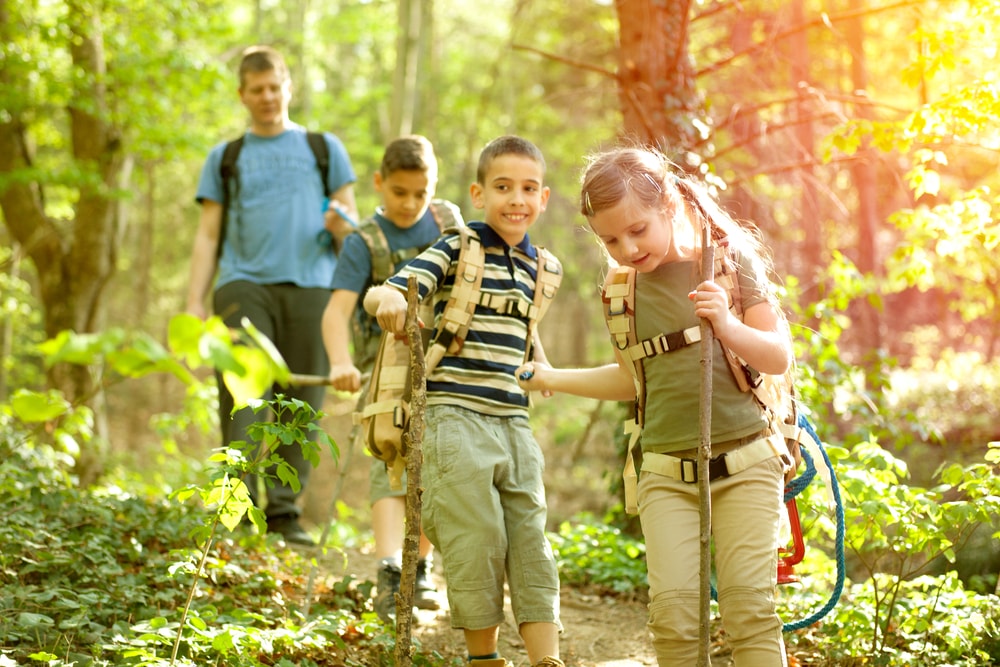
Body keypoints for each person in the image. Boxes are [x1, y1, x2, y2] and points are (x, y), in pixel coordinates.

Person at [516, 146, 794, 667]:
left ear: (667, 201)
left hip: (747, 463)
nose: (626, 247)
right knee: (673, 618)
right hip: (666, 471)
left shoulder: (729, 261)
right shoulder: (622, 291)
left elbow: (777, 356)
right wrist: (553, 377)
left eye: (638, 229)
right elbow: (632, 379)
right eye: (611, 239)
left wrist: (726, 326)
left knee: (750, 611)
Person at [363, 136, 564, 667]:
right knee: (476, 534)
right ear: (479, 194)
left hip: (514, 420)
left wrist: (543, 367)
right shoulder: (458, 247)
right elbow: (394, 288)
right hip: (453, 415)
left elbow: (526, 325)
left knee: (530, 537)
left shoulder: (544, 267)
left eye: (527, 189)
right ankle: (485, 657)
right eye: (502, 187)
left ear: (543, 199)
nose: (515, 199)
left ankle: (548, 659)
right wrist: (387, 302)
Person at [186, 45, 358, 546]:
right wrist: (195, 299)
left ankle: (284, 513)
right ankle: (233, 513)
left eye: (274, 87)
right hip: (243, 284)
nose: (266, 97)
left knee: (301, 401)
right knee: (244, 397)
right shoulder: (227, 157)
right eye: (256, 90)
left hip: (313, 288)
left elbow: (351, 226)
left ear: (289, 87)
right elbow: (207, 234)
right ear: (242, 95)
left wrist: (338, 223)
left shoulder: (324, 149)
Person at [321, 134, 459, 620]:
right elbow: (336, 312)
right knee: (391, 454)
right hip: (385, 369)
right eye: (399, 192)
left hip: (444, 361)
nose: (409, 203)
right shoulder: (364, 241)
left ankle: (417, 567)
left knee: (430, 464)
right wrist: (340, 362)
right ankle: (387, 567)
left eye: (420, 193)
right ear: (379, 183)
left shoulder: (449, 223)